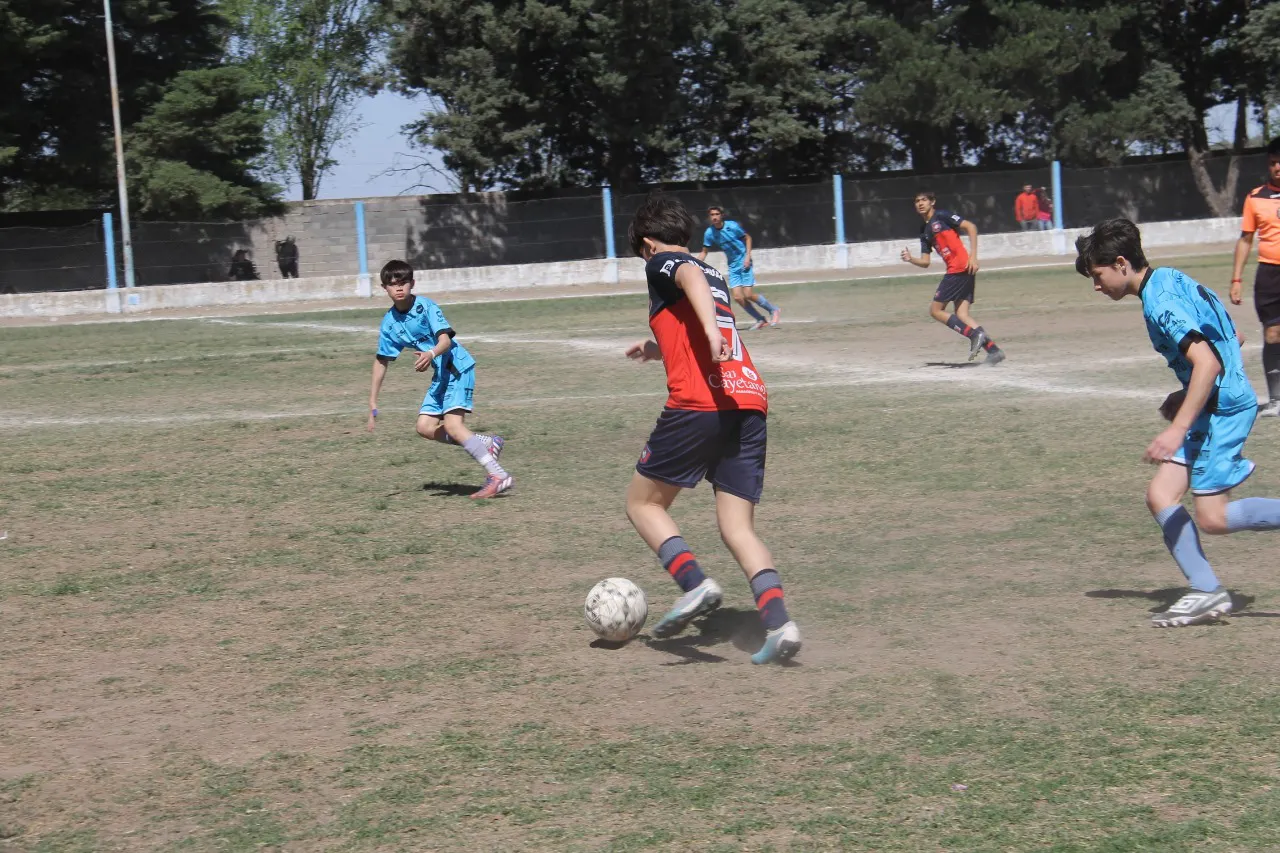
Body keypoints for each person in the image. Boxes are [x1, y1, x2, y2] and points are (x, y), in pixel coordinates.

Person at [1076, 218, 1280, 627]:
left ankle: (1206, 591)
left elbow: (1207, 362)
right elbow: (1233, 337)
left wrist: (1177, 427)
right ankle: (1206, 591)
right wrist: (1187, 392)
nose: (1097, 286)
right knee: (1161, 495)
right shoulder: (1170, 278)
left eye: (1097, 276)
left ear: (1120, 263)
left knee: (1212, 517)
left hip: (1223, 409)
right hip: (1211, 402)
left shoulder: (1159, 302)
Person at [624, 194, 800, 664]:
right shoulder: (716, 273)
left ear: (648, 244)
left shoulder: (664, 262)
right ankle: (780, 625)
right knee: (737, 527)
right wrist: (658, 348)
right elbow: (695, 306)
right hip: (748, 398)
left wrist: (711, 332)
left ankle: (695, 584)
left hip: (700, 402)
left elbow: (686, 278)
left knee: (643, 503)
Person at [366, 259, 512, 499]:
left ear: (412, 283)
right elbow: (381, 360)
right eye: (392, 284)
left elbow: (445, 340)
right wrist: (372, 400)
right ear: (384, 288)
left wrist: (430, 354)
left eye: (403, 282)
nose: (398, 287)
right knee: (424, 427)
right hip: (441, 374)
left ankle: (498, 475)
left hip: (457, 367)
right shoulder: (390, 322)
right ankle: (485, 443)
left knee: (454, 426)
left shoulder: (426, 307)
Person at [900, 191, 1006, 365]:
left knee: (935, 311)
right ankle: (994, 351)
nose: (920, 203)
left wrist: (973, 256)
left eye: (924, 200)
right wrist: (910, 259)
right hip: (960, 270)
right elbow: (926, 262)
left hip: (959, 267)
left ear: (932, 202)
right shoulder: (924, 230)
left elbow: (971, 227)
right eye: (917, 201)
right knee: (962, 314)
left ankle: (974, 335)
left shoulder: (942, 216)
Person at [1229, 137, 1280, 417]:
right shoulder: (1255, 198)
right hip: (1270, 274)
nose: (1277, 167)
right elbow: (1246, 239)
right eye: (1273, 163)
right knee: (1272, 334)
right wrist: (1236, 279)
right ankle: (1276, 399)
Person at [697, 206, 781, 330]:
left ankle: (773, 309)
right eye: (712, 215)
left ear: (722, 215)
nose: (714, 217)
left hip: (744, 262)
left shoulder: (732, 226)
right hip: (732, 266)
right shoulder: (709, 233)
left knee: (748, 294)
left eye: (717, 214)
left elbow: (748, 238)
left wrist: (747, 256)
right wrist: (695, 264)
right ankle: (760, 319)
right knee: (737, 297)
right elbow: (704, 251)